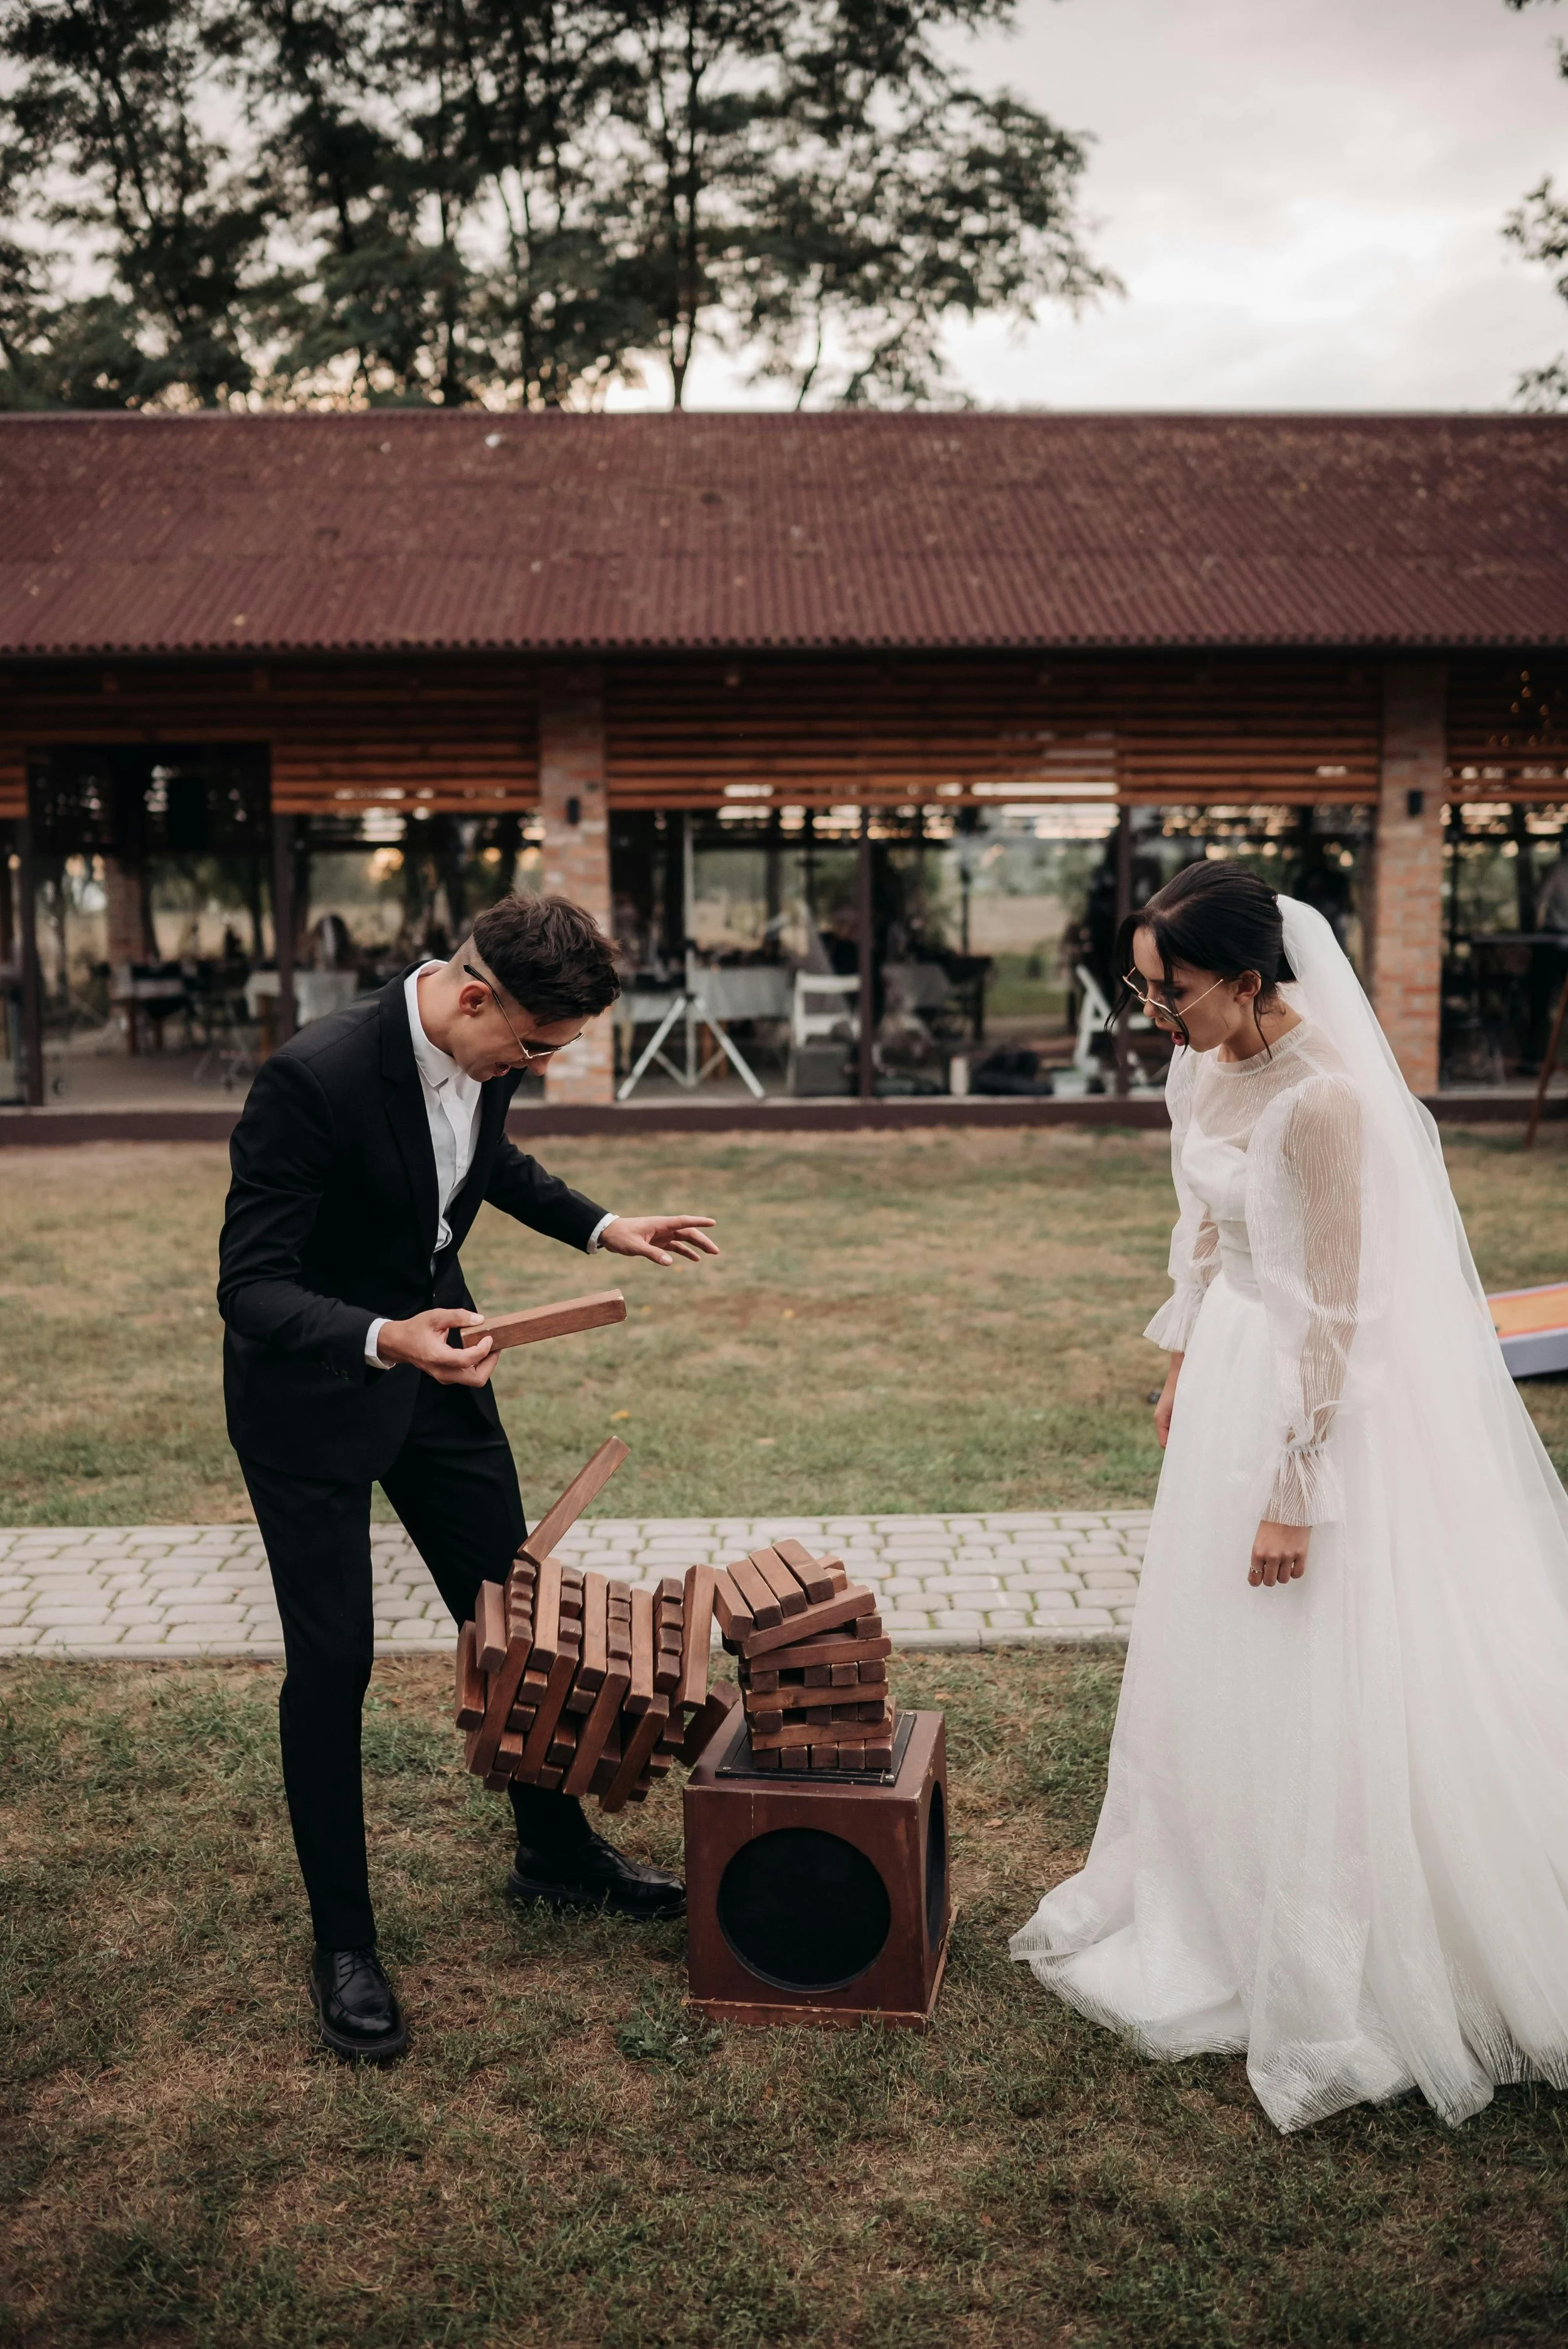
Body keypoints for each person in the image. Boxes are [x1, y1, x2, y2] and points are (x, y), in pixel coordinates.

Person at [1010, 862, 1568, 2132]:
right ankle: (1211, 1879)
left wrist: (1290, 1491)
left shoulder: (1322, 1106)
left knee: (1307, 1642)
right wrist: (1177, 1358)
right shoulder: (1201, 1065)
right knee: (1213, 1648)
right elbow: (1201, 1234)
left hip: (1307, 1409)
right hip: (1223, 1383)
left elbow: (1335, 1312)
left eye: (1174, 993)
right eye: (1143, 993)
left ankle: (1331, 1927)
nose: (1157, 1016)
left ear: (1250, 981)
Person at [218, 893, 719, 2064]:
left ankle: (552, 1851)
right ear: (472, 994)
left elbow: (483, 1167)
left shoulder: (483, 1057)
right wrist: (388, 1334)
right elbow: (249, 1286)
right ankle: (344, 1942)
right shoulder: (313, 1077)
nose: (537, 1068)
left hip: (441, 1391)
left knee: (516, 1617)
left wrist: (604, 1228)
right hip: (311, 1404)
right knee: (332, 1662)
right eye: (536, 1049)